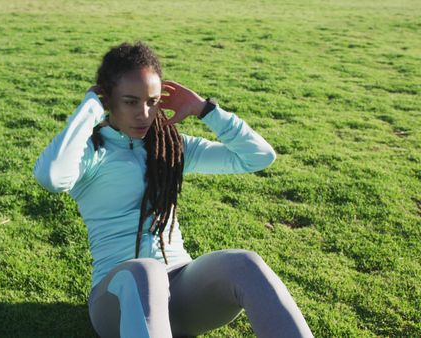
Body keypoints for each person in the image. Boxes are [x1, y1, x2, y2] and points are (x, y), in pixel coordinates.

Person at [33, 41, 313, 338]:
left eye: (152, 101)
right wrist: (89, 108)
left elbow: (258, 157)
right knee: (145, 271)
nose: (144, 113)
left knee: (244, 263)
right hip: (117, 301)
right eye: (130, 101)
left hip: (182, 293)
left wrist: (204, 109)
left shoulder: (170, 147)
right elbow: (51, 176)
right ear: (108, 99)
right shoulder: (92, 151)